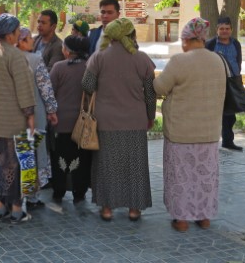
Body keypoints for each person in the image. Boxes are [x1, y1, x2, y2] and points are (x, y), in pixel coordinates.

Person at [153, 17, 226, 232]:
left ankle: (182, 220)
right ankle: (204, 218)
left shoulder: (179, 61)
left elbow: (159, 87)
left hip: (181, 132)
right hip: (209, 131)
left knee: (181, 177)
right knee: (204, 177)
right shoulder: (217, 60)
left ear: (186, 39)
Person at [82, 18, 156, 222]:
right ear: (132, 35)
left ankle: (107, 208)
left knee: (107, 164)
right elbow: (150, 93)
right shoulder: (141, 58)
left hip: (106, 119)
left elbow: (87, 85)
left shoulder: (99, 57)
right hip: (135, 119)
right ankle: (134, 209)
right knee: (135, 164)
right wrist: (150, 116)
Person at [0, 14, 36, 224]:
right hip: (14, 121)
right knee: (16, 165)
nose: (18, 35)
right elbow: (24, 89)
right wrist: (30, 116)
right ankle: (15, 209)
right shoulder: (15, 55)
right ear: (10, 34)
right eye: (17, 31)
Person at [16, 27, 58, 207]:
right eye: (29, 39)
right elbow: (45, 88)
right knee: (32, 152)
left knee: (20, 154)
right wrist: (52, 110)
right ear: (21, 41)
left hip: (12, 114)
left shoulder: (5, 58)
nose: (33, 41)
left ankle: (15, 196)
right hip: (35, 113)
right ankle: (32, 196)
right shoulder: (35, 59)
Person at [49, 35, 92, 203]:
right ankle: (79, 192)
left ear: (67, 51)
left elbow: (49, 92)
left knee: (60, 157)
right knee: (81, 158)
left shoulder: (59, 67)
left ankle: (59, 190)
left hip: (60, 122)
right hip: (83, 123)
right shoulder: (89, 67)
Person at [206, 16, 244, 151]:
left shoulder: (236, 44)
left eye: (227, 29)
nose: (224, 31)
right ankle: (209, 141)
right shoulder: (210, 45)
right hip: (215, 84)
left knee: (230, 115)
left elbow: (238, 61)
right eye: (221, 28)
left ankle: (228, 141)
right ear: (217, 30)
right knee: (214, 114)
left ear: (231, 30)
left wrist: (237, 77)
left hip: (232, 83)